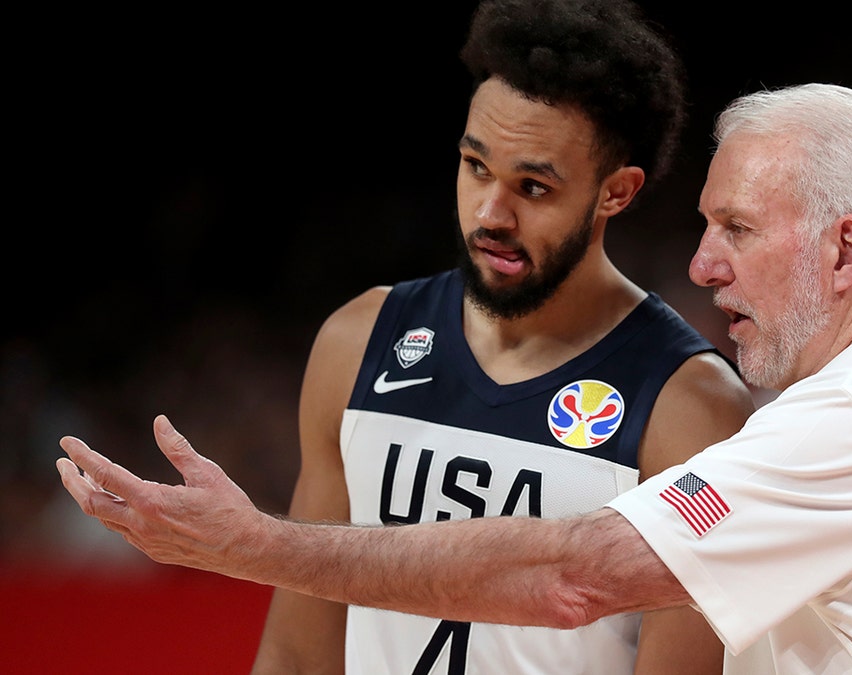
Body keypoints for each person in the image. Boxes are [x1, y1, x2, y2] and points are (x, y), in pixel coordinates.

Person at [57, 82, 852, 673]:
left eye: (736, 229)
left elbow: (572, 575)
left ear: (846, 253)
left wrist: (261, 547)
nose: (702, 264)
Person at [191, 1, 757, 673]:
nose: (491, 212)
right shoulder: (359, 340)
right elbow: (296, 654)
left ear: (617, 192)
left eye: (533, 186)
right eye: (476, 166)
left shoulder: (692, 409)